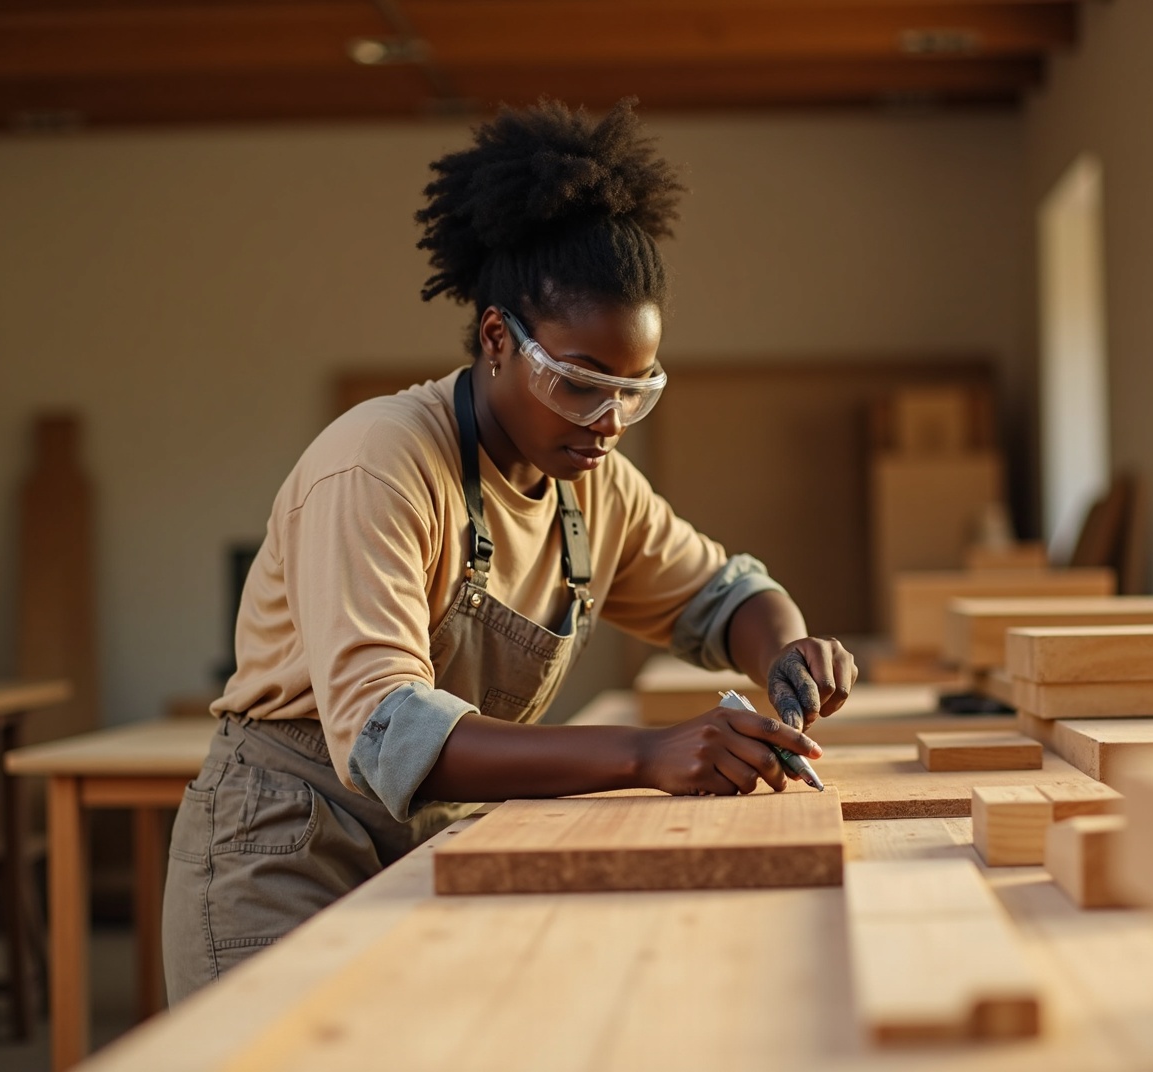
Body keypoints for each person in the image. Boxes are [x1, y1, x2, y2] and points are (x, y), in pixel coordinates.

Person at [161, 99, 857, 1001]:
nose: (608, 423)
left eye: (634, 394)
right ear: (498, 340)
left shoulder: (588, 480)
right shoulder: (380, 462)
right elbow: (388, 735)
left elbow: (726, 597)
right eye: (578, 385)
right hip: (286, 846)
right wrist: (646, 756)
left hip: (434, 837)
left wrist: (788, 652)